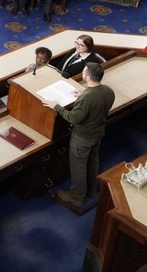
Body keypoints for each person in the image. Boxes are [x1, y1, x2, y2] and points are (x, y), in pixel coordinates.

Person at [42, 63, 115, 207]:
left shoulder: (87, 98)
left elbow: (73, 118)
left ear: (87, 77)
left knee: (78, 166)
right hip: (98, 132)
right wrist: (83, 93)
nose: (82, 73)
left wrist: (55, 106)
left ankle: (76, 196)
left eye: (83, 71)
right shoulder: (107, 90)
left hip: (83, 137)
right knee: (93, 160)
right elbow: (99, 104)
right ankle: (90, 190)